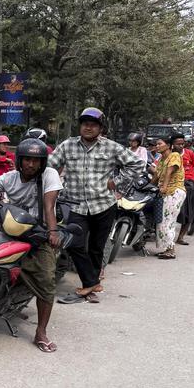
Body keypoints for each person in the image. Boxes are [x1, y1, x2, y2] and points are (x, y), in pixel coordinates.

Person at [0, 138, 63, 352]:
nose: (31, 164)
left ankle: (41, 331)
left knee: (46, 280)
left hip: (37, 233)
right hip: (10, 227)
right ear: (20, 160)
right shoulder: (10, 177)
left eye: (36, 161)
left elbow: (49, 205)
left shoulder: (49, 175)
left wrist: (52, 231)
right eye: (27, 160)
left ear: (43, 162)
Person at [49, 108, 143, 304]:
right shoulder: (67, 146)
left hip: (103, 205)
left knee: (96, 248)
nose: (88, 127)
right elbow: (50, 166)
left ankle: (89, 285)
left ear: (100, 128)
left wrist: (117, 181)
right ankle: (92, 282)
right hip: (76, 205)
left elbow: (137, 165)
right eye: (85, 123)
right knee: (74, 243)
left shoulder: (111, 147)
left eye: (93, 124)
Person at [150, 135, 186, 259]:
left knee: (168, 221)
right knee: (162, 221)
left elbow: (169, 172)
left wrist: (164, 186)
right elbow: (156, 176)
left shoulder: (174, 155)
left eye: (160, 143)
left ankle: (171, 250)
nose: (157, 146)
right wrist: (146, 187)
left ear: (168, 145)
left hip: (174, 191)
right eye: (156, 144)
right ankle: (166, 248)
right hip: (164, 193)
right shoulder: (160, 160)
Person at [174, 134, 194, 246]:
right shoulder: (168, 154)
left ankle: (180, 237)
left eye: (182, 144)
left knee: (188, 212)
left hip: (189, 184)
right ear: (172, 144)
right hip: (173, 184)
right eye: (178, 144)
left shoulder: (190, 153)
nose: (180, 146)